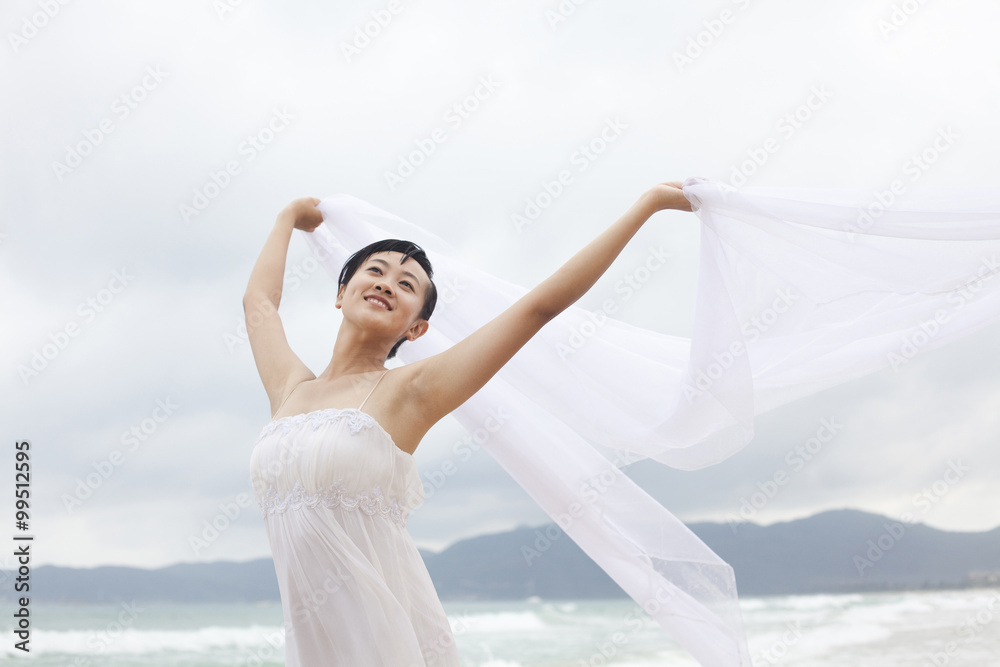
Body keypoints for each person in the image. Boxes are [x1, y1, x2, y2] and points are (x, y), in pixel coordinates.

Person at [243, 181, 693, 666]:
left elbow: (538, 308)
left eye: (406, 284)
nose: (386, 283)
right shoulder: (290, 388)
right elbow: (258, 305)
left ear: (416, 328)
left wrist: (647, 205)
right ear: (340, 293)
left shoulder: (411, 391)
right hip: (311, 646)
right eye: (375, 270)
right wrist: (287, 217)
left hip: (384, 641)